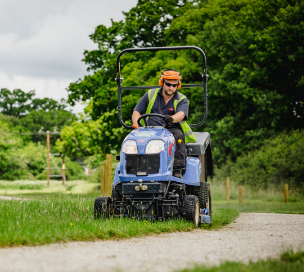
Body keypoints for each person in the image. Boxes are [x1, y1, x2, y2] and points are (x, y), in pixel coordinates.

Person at [132, 69, 196, 179]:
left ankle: (177, 170)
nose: (171, 87)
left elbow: (181, 114)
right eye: (168, 84)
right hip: (149, 130)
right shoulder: (150, 94)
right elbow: (137, 112)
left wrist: (171, 119)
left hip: (171, 130)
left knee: (178, 136)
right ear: (162, 82)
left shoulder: (182, 99)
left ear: (178, 85)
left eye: (174, 85)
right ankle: (134, 169)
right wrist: (137, 127)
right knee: (132, 140)